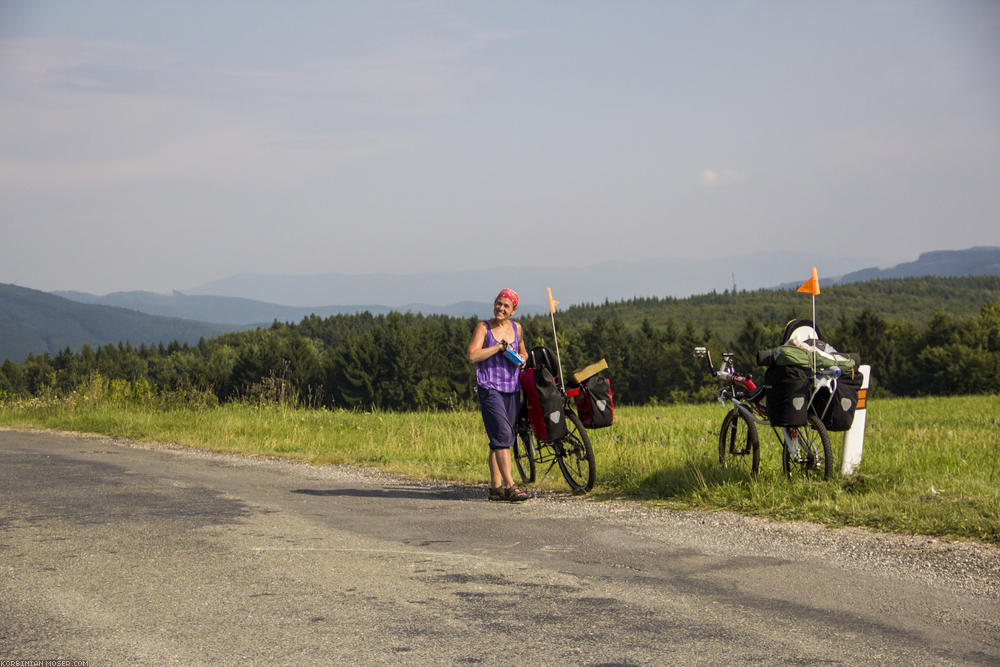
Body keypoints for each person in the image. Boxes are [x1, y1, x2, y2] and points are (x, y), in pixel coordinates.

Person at [468, 288, 530, 502]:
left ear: (513, 310)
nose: (500, 308)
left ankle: (495, 488)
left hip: (512, 388)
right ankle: (511, 486)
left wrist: (522, 358)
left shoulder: (517, 328)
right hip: (489, 387)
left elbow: (522, 352)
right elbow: (473, 355)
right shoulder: (483, 328)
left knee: (499, 439)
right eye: (498, 303)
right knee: (503, 435)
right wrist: (496, 348)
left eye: (506, 306)